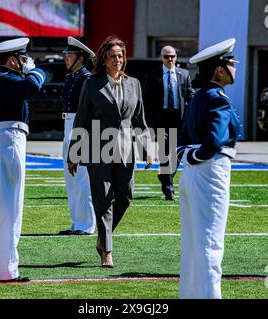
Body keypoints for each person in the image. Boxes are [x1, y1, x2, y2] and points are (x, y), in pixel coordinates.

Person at [67, 36, 153, 268]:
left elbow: (139, 119)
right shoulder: (91, 84)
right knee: (103, 200)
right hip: (98, 148)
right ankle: (107, 251)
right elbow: (82, 118)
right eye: (113, 56)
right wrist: (74, 153)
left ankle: (102, 238)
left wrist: (148, 148)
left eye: (121, 55)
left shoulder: (133, 84)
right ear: (104, 59)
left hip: (126, 149)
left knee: (125, 198)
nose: (118, 59)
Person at [0, 38, 46, 282]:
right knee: (8, 208)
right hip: (9, 141)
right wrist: (35, 70)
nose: (24, 63)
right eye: (22, 58)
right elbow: (32, 88)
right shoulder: (8, 79)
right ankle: (4, 271)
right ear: (14, 59)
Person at [176, 38, 242, 299]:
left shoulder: (199, 96)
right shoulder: (216, 98)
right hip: (211, 171)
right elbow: (214, 142)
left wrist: (188, 156)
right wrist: (195, 155)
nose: (234, 69)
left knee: (193, 244)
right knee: (211, 244)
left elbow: (182, 138)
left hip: (193, 173)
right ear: (219, 69)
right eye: (231, 64)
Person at [144, 46, 194, 200]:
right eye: (166, 56)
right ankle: (168, 189)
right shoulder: (153, 75)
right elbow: (147, 100)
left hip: (179, 120)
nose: (170, 59)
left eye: (172, 56)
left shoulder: (184, 74)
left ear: (176, 57)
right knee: (165, 153)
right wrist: (149, 122)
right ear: (161, 58)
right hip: (161, 119)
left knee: (176, 153)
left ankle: (165, 177)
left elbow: (189, 95)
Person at [58, 37, 96, 236]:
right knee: (71, 179)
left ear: (80, 59)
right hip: (68, 124)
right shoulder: (72, 77)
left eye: (69, 56)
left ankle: (86, 224)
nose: (66, 59)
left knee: (82, 177)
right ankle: (77, 222)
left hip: (80, 126)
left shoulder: (86, 79)